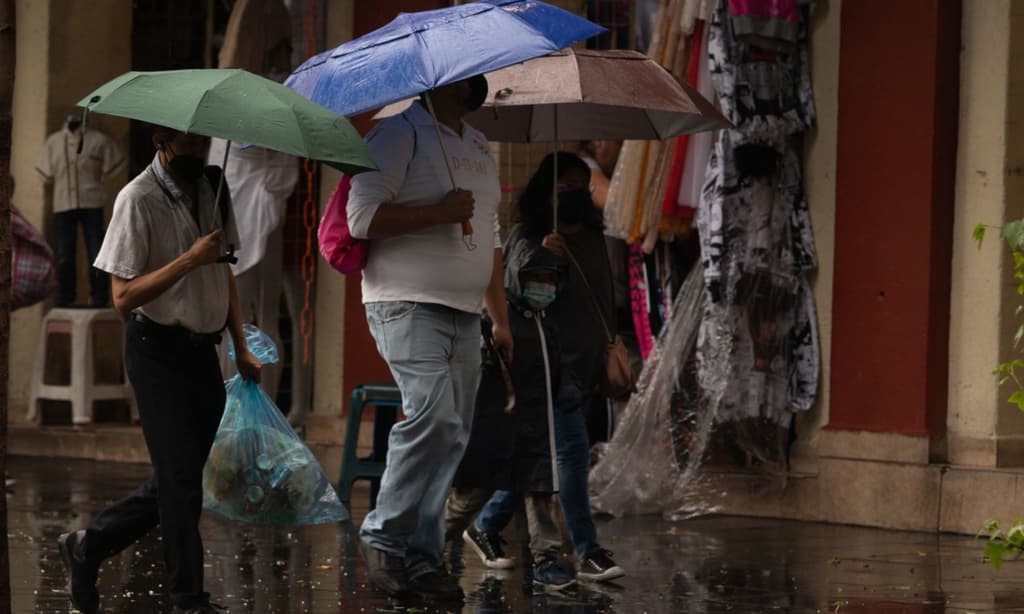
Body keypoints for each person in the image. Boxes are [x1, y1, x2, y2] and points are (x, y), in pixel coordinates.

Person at [57, 125, 261, 614]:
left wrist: (240, 343)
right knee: (181, 481)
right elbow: (123, 297)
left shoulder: (214, 187)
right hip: (157, 352)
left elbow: (224, 269)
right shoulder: (137, 199)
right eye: (186, 142)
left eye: (202, 141)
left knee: (183, 476)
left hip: (203, 351)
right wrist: (189, 259)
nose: (196, 150)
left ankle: (88, 544)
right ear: (159, 140)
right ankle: (188, 598)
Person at [346, 74, 512, 602]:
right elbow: (361, 218)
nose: (481, 82)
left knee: (454, 432)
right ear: (441, 83)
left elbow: (491, 237)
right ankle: (384, 537)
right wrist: (439, 211)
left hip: (466, 313)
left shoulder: (479, 145)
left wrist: (499, 317)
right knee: (433, 416)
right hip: (405, 302)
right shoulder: (396, 136)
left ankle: (421, 555)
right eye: (469, 75)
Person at [461, 152, 625, 584]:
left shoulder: (592, 236)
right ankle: (585, 549)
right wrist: (545, 257)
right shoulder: (526, 235)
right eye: (565, 189)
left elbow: (605, 297)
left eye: (581, 188)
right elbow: (518, 293)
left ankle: (486, 525)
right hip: (544, 367)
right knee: (567, 455)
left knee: (534, 461)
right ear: (546, 193)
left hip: (582, 365)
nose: (575, 197)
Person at [446, 245, 575, 591]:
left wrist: (566, 393)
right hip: (500, 426)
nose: (544, 287)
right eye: (536, 279)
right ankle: (428, 543)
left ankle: (546, 560)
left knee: (540, 492)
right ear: (517, 279)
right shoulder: (497, 322)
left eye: (551, 280)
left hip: (535, 426)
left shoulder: (547, 322)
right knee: (474, 492)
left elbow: (557, 368)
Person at [36, 114, 124, 306]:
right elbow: (46, 173)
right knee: (64, 253)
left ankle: (99, 296)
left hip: (91, 202)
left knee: (96, 252)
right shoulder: (53, 142)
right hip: (63, 204)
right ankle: (66, 297)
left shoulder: (99, 140)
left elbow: (114, 163)